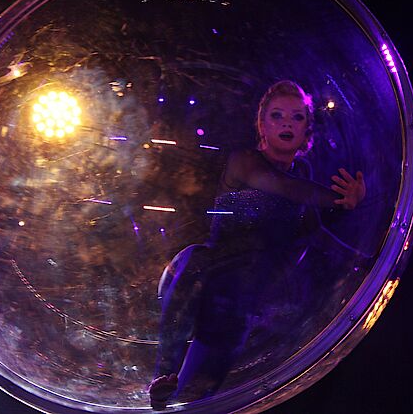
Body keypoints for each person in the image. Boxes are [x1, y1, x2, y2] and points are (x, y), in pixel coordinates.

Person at [148, 80, 367, 409]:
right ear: (262, 125)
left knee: (200, 395)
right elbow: (284, 187)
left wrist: (358, 256)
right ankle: (163, 373)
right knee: (196, 263)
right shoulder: (245, 161)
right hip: (206, 275)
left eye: (296, 117)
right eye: (277, 116)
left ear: (307, 130)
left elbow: (312, 230)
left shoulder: (303, 173)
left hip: (241, 297)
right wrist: (338, 199)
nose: (286, 124)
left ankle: (177, 394)